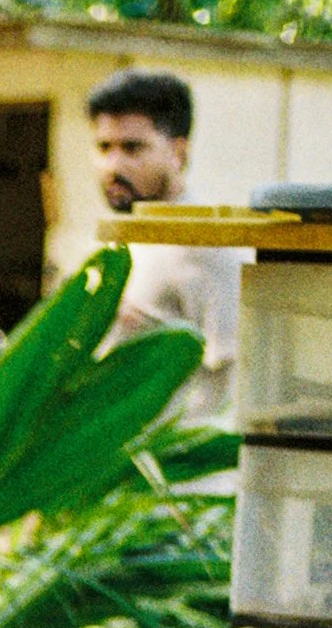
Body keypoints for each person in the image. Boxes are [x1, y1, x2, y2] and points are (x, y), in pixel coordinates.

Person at [89, 67, 240, 418]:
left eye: (132, 148)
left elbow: (232, 388)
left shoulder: (208, 248)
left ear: (178, 153)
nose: (113, 165)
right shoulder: (121, 246)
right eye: (104, 147)